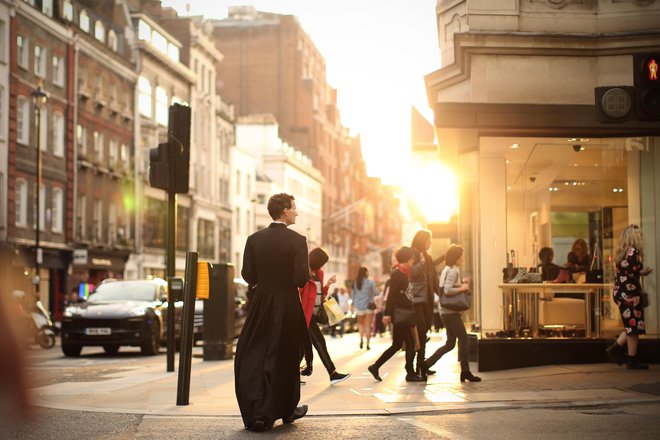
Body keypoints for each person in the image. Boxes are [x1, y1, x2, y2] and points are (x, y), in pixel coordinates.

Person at [235, 193, 312, 432]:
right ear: (284, 211)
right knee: (286, 354)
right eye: (294, 208)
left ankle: (258, 410)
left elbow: (248, 274)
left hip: (262, 303)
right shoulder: (298, 240)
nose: (296, 212)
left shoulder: (254, 239)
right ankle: (286, 409)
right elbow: (301, 277)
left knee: (255, 353)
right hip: (287, 303)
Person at [424, 244, 482, 383]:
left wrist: (461, 283)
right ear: (456, 257)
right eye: (461, 256)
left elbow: (446, 288)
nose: (462, 259)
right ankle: (466, 372)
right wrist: (463, 287)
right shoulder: (452, 271)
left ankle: (425, 364)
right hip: (450, 312)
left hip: (446, 311)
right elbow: (448, 290)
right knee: (465, 340)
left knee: (450, 344)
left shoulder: (447, 269)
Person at [367, 246, 424, 383]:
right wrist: (387, 314)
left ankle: (375, 366)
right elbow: (392, 295)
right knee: (410, 342)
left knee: (397, 344)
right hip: (400, 314)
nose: (413, 261)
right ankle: (409, 372)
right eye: (412, 258)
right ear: (408, 258)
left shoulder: (404, 273)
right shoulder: (398, 274)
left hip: (403, 313)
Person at [299, 247, 351, 385]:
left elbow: (320, 294)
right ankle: (332, 373)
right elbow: (299, 294)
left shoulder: (319, 274)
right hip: (304, 315)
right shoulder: (303, 272)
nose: (322, 266)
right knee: (319, 342)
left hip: (314, 315)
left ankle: (290, 376)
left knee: (302, 347)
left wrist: (328, 284)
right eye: (322, 262)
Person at [605, 225, 653, 370]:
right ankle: (623, 353)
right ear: (634, 236)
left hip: (621, 291)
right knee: (634, 325)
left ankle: (623, 353)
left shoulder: (623, 252)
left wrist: (640, 272)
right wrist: (643, 271)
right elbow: (634, 270)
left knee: (632, 325)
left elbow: (628, 271)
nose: (641, 237)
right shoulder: (633, 252)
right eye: (639, 234)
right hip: (630, 293)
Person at [410, 229, 440, 379]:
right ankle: (417, 365)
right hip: (417, 299)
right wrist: (421, 262)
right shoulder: (414, 255)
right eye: (428, 239)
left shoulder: (427, 257)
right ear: (422, 240)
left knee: (425, 331)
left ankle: (422, 364)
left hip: (427, 298)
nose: (430, 242)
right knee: (420, 330)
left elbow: (433, 277)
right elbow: (411, 273)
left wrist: (441, 294)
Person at [351, 267, 378, 350]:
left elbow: (353, 296)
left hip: (359, 307)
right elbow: (376, 293)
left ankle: (361, 339)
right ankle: (368, 344)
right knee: (367, 326)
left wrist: (352, 306)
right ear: (365, 273)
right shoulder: (370, 282)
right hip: (368, 307)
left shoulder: (356, 283)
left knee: (360, 325)